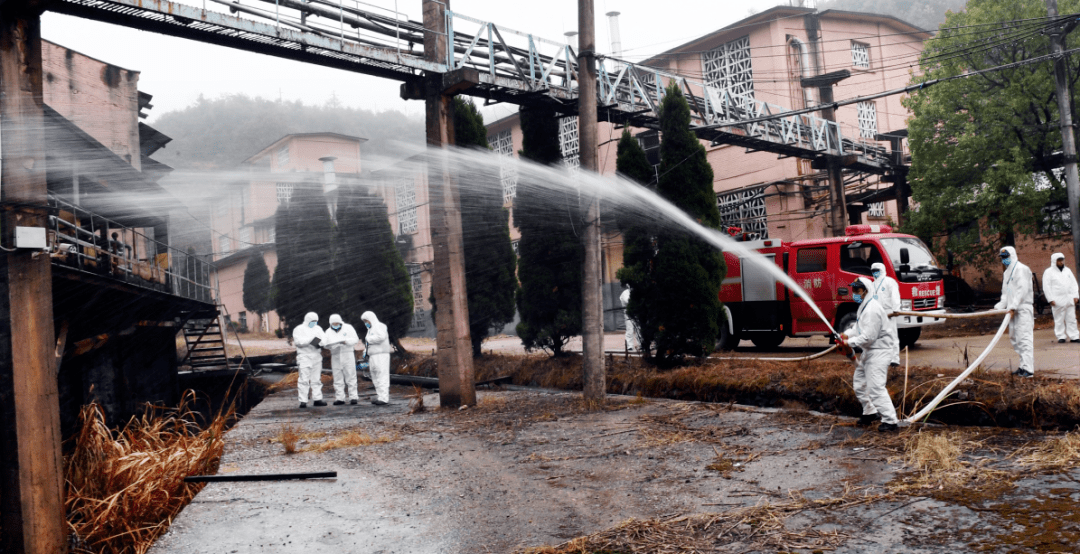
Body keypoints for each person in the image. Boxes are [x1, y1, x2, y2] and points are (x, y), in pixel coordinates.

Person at [840, 277, 900, 432]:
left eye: (857, 290)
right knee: (859, 383)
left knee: (876, 387)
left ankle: (890, 421)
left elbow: (868, 337)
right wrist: (846, 334)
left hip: (879, 352)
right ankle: (870, 412)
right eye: (853, 290)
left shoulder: (872, 310)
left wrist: (848, 343)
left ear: (866, 291)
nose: (854, 293)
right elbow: (858, 329)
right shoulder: (865, 307)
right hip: (870, 352)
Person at [994, 246, 1035, 378]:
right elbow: (1005, 294)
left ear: (1012, 255)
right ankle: (1023, 366)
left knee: (1024, 338)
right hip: (1012, 311)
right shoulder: (1007, 273)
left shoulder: (1021, 269)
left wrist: (1013, 306)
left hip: (1022, 308)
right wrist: (998, 307)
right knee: (1015, 338)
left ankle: (1029, 369)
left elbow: (1021, 291)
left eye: (1006, 257)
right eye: (1002, 258)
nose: (1004, 260)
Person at [1042, 253, 1079, 343]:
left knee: (1071, 319)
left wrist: (1075, 295)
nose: (1061, 262)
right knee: (1059, 319)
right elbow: (1046, 286)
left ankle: (1074, 336)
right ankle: (1061, 336)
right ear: (1054, 261)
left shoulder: (1067, 271)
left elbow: (1074, 284)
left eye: (1062, 260)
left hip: (1069, 298)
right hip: (1057, 299)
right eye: (1059, 260)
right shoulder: (1048, 272)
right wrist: (1050, 299)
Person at [324, 314, 361, 405]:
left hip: (347, 354)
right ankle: (340, 398)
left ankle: (353, 397)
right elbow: (325, 343)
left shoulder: (348, 328)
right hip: (335, 355)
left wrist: (346, 342)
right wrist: (329, 345)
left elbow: (355, 339)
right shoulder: (328, 331)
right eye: (333, 324)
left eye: (337, 323)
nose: (335, 325)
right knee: (337, 377)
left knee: (350, 376)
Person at [292, 312, 327, 408]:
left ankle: (317, 399)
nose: (314, 323)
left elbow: (324, 340)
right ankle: (303, 401)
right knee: (304, 379)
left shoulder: (318, 329)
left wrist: (319, 343)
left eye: (315, 321)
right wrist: (311, 340)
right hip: (304, 356)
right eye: (312, 321)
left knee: (316, 379)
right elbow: (298, 342)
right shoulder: (299, 329)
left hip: (316, 356)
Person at [870, 262, 902, 366]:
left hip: (889, 313)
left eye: (877, 271)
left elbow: (895, 295)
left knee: (892, 336)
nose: (875, 273)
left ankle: (894, 359)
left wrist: (896, 309)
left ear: (882, 270)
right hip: (877, 315)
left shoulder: (889, 281)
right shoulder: (872, 285)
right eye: (873, 271)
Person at [361, 311, 391, 406]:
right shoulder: (370, 330)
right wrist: (365, 352)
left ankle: (384, 398)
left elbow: (381, 337)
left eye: (366, 320)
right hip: (373, 355)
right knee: (375, 376)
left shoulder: (379, 326)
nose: (366, 323)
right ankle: (380, 397)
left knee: (381, 375)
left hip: (381, 355)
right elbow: (368, 343)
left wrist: (369, 339)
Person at [620, 285, 640, 352]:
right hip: (628, 314)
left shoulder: (636, 292)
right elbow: (628, 301)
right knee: (630, 329)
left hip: (637, 312)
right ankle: (630, 346)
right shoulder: (625, 293)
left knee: (638, 328)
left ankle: (640, 344)